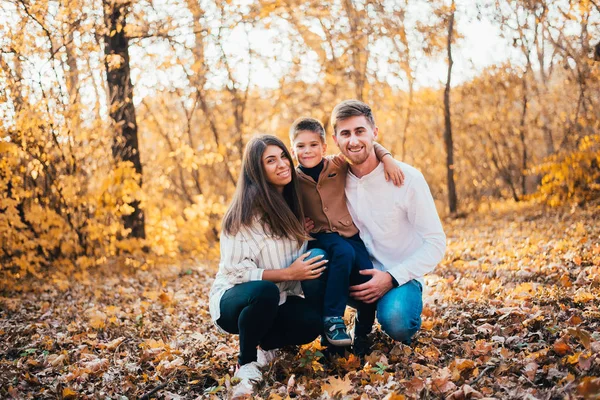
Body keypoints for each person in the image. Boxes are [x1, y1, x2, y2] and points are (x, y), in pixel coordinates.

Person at [208, 135, 329, 397]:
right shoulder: (243, 214)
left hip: (278, 300)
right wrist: (288, 274)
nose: (283, 164)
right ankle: (247, 362)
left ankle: (266, 347)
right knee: (265, 291)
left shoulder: (291, 203)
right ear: (256, 170)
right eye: (270, 160)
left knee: (312, 322)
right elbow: (236, 272)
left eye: (283, 156)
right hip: (234, 300)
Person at [330, 99, 446, 354]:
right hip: (356, 276)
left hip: (399, 276)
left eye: (360, 131)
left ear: (374, 132)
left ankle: (396, 307)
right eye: (345, 134)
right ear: (335, 139)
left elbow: (436, 243)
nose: (353, 140)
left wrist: (392, 278)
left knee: (397, 320)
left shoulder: (407, 179)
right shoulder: (332, 179)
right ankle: (344, 329)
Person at [289, 117, 404, 348]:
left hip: (350, 234)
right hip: (320, 237)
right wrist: (297, 225)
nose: (307, 151)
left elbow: (371, 146)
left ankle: (362, 332)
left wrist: (388, 158)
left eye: (313, 145)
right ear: (293, 150)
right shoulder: (292, 179)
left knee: (367, 276)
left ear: (324, 147)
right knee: (341, 253)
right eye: (300, 146)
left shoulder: (338, 164)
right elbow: (281, 209)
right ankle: (332, 320)